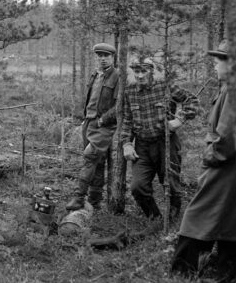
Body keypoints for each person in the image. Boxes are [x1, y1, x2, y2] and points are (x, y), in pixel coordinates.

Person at [171, 41, 236, 283]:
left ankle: (182, 272)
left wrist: (209, 156)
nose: (214, 66)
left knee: (197, 214)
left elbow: (227, 137)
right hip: (233, 167)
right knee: (232, 219)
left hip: (225, 166)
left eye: (218, 61)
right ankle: (231, 274)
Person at [120, 57, 199, 219]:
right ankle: (154, 218)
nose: (140, 75)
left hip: (166, 143)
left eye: (144, 71)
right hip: (142, 146)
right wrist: (127, 143)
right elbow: (128, 120)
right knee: (137, 186)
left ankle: (173, 218)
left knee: (171, 182)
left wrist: (180, 119)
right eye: (136, 71)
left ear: (152, 71)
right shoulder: (130, 91)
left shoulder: (165, 86)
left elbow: (191, 100)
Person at [66, 43, 119, 211]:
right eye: (100, 55)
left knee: (89, 158)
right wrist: (85, 119)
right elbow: (91, 100)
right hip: (89, 123)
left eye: (106, 56)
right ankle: (95, 202)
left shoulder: (117, 76)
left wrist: (103, 121)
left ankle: (79, 197)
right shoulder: (95, 74)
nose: (102, 59)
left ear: (113, 57)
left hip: (103, 125)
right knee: (97, 162)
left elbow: (119, 105)